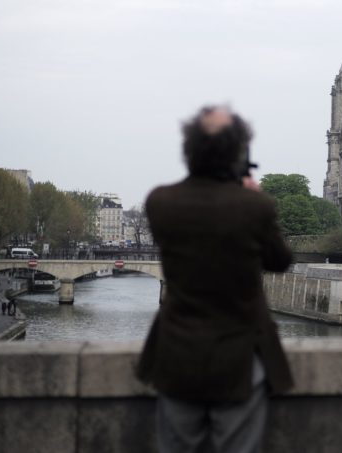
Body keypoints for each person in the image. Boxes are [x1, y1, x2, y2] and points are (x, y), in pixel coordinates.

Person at [136, 105, 294, 453]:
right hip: (238, 359)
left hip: (176, 354)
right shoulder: (255, 207)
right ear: (237, 152)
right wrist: (252, 198)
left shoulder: (160, 202)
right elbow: (280, 261)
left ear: (189, 149)